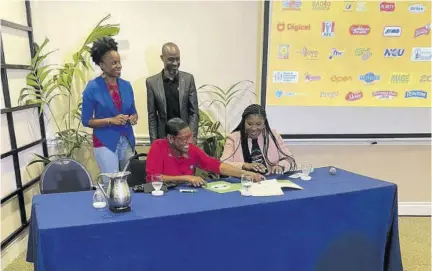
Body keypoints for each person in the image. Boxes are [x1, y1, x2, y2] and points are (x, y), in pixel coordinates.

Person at [146, 118, 264, 186]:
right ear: (171, 139)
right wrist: (187, 178)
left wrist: (246, 174)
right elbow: (153, 177)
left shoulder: (191, 149)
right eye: (184, 138)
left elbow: (216, 166)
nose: (189, 141)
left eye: (190, 136)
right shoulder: (158, 146)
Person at [81, 37, 138, 180]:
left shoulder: (126, 86)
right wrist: (110, 120)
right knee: (111, 184)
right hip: (105, 141)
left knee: (128, 183)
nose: (119, 65)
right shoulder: (92, 87)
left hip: (127, 140)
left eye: (119, 62)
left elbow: (134, 112)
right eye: (114, 63)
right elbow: (86, 120)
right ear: (102, 65)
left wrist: (133, 118)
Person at [220, 104, 296, 175]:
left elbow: (289, 159)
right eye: (249, 124)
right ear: (243, 122)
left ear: (264, 123)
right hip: (244, 182)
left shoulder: (273, 135)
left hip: (270, 181)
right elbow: (223, 164)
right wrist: (245, 165)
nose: (254, 128)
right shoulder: (233, 138)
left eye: (258, 124)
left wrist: (280, 166)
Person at [146, 42, 199, 143]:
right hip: (164, 138)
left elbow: (194, 112)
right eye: (171, 59)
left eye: (177, 59)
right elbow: (152, 116)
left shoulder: (188, 79)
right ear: (162, 58)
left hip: (185, 137)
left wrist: (191, 136)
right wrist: (154, 143)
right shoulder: (151, 83)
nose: (175, 63)